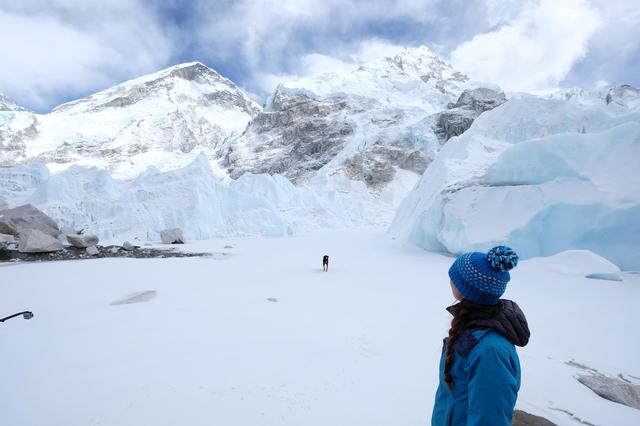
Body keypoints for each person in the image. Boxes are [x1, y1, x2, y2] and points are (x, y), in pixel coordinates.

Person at [431, 246, 530, 426]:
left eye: (454, 278)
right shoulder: (471, 330)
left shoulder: (489, 351)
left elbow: (491, 419)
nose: (450, 281)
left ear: (465, 288)